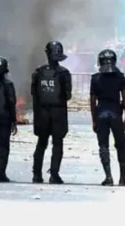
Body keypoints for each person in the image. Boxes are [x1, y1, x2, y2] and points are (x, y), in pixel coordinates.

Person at [90, 49, 125, 187]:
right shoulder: (120, 77)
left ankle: (108, 177)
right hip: (116, 114)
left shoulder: (95, 78)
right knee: (121, 145)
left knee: (103, 146)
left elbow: (92, 102)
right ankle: (123, 178)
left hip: (101, 114)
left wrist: (94, 120)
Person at [31, 41, 72, 184]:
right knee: (57, 144)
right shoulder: (64, 73)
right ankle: (54, 174)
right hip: (58, 112)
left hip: (42, 112)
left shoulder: (38, 72)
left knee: (41, 143)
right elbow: (68, 95)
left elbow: (34, 94)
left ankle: (36, 174)